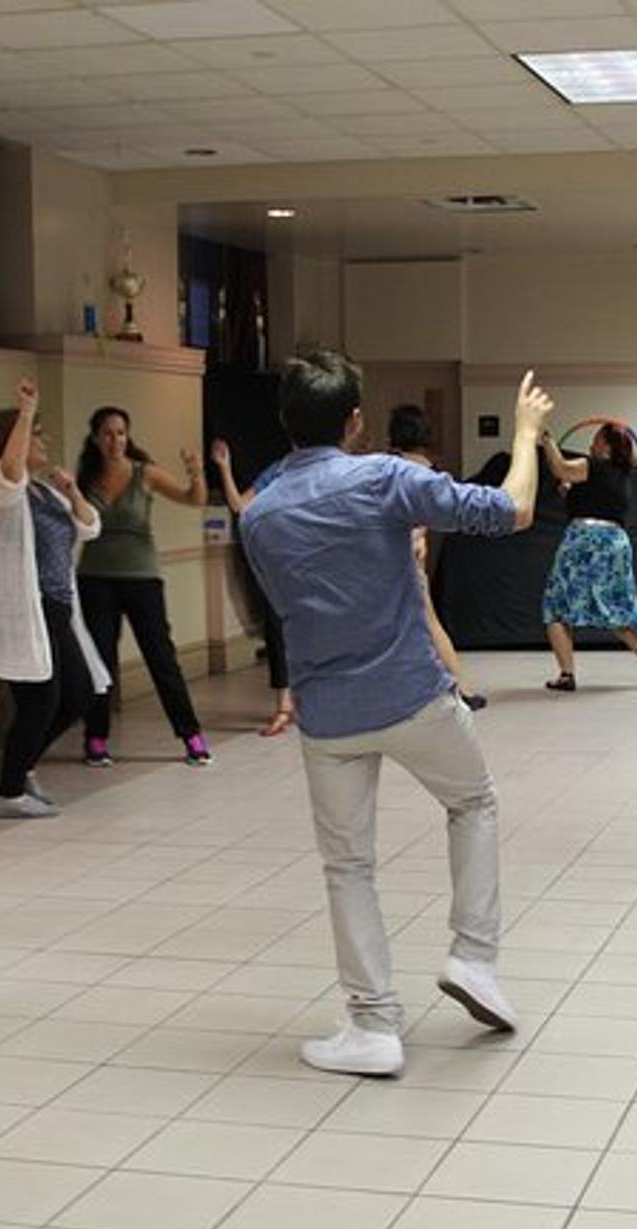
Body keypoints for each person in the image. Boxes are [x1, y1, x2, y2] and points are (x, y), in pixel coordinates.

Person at [239, 351, 542, 1077]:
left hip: (329, 716)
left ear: (285, 423)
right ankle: (472, 957)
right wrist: (527, 432)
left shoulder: (261, 514)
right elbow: (513, 510)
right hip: (413, 696)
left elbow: (278, 610)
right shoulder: (385, 478)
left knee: (348, 866)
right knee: (473, 802)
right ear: (355, 422)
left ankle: (373, 1023)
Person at [0, 380, 110, 819]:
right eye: (36, 433)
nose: (43, 440)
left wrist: (73, 493)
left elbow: (90, 527)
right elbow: (11, 472)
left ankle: (20, 768)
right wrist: (26, 411)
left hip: (58, 607)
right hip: (26, 610)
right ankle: (10, 791)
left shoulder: (44, 492)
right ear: (15, 442)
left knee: (78, 695)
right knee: (41, 700)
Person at [74, 408, 213, 767]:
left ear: (128, 436)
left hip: (142, 577)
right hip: (95, 576)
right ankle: (96, 737)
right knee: (100, 660)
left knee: (160, 657)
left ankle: (191, 735)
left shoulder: (144, 473)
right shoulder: (86, 477)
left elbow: (193, 498)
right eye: (107, 433)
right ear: (95, 438)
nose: (114, 440)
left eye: (120, 433)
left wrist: (196, 469)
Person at [538, 424, 637, 691]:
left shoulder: (591, 465)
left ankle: (567, 675)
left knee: (557, 605)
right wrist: (572, 492)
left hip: (584, 540)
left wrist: (547, 439)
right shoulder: (622, 476)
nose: (592, 444)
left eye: (597, 439)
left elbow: (560, 467)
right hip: (616, 542)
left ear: (607, 446)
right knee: (620, 607)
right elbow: (592, 496)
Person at [389, 404, 486, 711]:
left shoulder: (388, 467)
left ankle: (458, 687)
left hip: (386, 558)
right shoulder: (429, 472)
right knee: (426, 623)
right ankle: (459, 687)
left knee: (418, 623)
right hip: (409, 556)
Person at [215, 442, 296, 737]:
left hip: (318, 563)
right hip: (279, 565)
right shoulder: (278, 471)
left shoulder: (331, 469)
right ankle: (284, 705)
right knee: (277, 631)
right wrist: (224, 466)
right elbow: (240, 506)